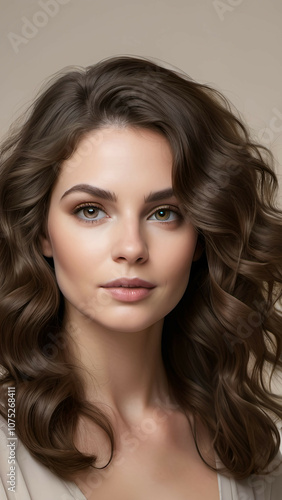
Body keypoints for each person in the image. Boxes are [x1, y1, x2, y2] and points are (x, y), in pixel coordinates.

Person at [0, 55, 282, 500]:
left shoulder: (249, 450)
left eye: (164, 213)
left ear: (202, 238)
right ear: (41, 233)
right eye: (91, 211)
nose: (131, 247)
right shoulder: (6, 455)